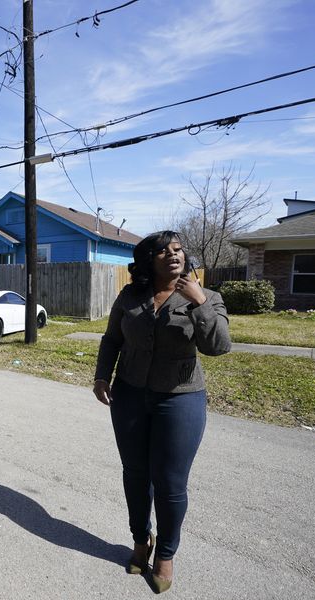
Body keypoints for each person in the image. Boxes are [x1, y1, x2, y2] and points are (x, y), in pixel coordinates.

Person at [92, 231, 231, 594]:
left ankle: (166, 554)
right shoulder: (130, 296)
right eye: (163, 251)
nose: (173, 255)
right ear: (148, 260)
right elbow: (111, 340)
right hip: (130, 395)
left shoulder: (209, 297)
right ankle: (141, 539)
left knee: (170, 484)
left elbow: (218, 346)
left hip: (180, 399)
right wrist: (102, 376)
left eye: (178, 250)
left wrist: (198, 300)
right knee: (135, 474)